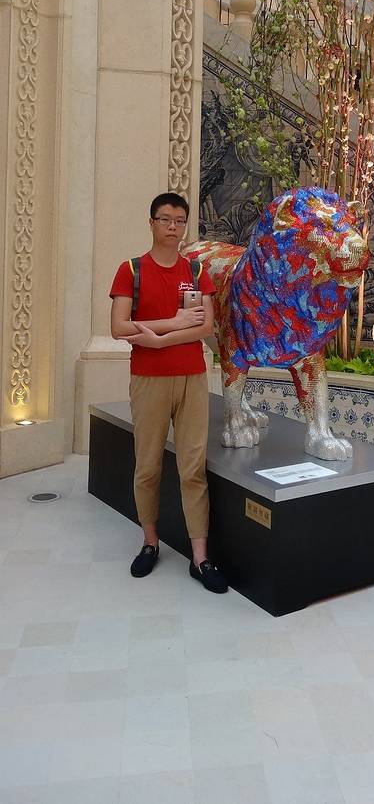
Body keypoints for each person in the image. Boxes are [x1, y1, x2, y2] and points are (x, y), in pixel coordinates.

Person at [110, 191, 227, 594]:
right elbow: (119, 327)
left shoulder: (196, 271)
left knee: (192, 468)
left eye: (179, 221)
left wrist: (158, 337)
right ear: (152, 223)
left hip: (192, 377)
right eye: (165, 219)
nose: (173, 227)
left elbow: (206, 327)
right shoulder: (131, 270)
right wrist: (174, 322)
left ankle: (200, 558)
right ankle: (150, 542)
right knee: (148, 465)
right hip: (149, 379)